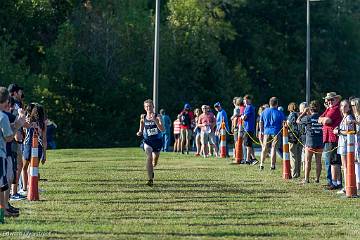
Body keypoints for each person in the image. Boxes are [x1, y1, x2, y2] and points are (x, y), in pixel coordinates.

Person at [0, 87, 26, 218]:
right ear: (6, 102)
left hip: (5, 153)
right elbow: (9, 137)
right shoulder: (4, 116)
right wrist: (18, 124)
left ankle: (5, 207)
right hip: (3, 153)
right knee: (3, 183)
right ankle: (4, 209)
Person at [136, 99, 164, 186]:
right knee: (149, 156)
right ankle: (150, 179)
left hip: (157, 141)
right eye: (147, 106)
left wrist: (155, 120)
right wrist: (140, 131)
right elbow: (141, 123)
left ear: (153, 106)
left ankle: (152, 169)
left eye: (150, 106)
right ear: (144, 108)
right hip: (147, 141)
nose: (149, 108)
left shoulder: (158, 116)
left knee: (154, 161)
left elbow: (163, 129)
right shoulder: (143, 117)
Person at [318, 92, 342, 190]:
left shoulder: (336, 109)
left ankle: (335, 182)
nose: (329, 101)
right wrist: (323, 119)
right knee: (330, 161)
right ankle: (332, 181)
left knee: (333, 161)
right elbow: (319, 119)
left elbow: (326, 121)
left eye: (332, 99)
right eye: (328, 100)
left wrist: (323, 120)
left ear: (336, 100)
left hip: (333, 139)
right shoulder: (329, 109)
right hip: (328, 138)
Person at [21, 104, 47, 194]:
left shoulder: (28, 121)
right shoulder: (43, 124)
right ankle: (33, 187)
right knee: (34, 168)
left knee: (24, 168)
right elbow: (44, 140)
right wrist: (45, 154)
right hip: (38, 147)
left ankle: (24, 188)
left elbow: (24, 132)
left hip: (28, 145)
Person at [297, 101, 323, 184]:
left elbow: (298, 121)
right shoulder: (321, 117)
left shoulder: (308, 118)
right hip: (319, 141)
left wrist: (304, 112)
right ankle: (317, 179)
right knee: (318, 161)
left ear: (310, 109)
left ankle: (306, 179)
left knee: (308, 161)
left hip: (310, 142)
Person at [8, 84, 25, 201]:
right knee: (17, 165)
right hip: (13, 139)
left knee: (17, 165)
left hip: (11, 138)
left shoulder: (11, 102)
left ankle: (13, 192)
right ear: (14, 92)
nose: (21, 94)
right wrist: (17, 134)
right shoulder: (14, 104)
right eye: (19, 92)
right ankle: (13, 193)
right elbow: (14, 120)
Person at [333, 99, 355, 194]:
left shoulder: (349, 118)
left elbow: (350, 132)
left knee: (346, 167)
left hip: (346, 145)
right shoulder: (344, 117)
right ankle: (347, 186)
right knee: (344, 167)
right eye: (342, 106)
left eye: (345, 106)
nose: (343, 108)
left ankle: (347, 187)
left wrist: (338, 131)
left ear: (349, 108)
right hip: (342, 144)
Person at [259, 97, 285, 170]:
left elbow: (261, 122)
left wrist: (261, 131)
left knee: (264, 148)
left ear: (270, 103)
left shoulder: (264, 111)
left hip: (266, 132)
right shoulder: (280, 113)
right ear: (277, 104)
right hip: (276, 132)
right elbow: (283, 123)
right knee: (273, 148)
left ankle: (261, 164)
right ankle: (272, 165)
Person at [241, 95, 258, 164]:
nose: (245, 101)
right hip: (249, 128)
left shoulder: (248, 107)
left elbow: (244, 117)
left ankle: (248, 159)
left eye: (247, 100)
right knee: (248, 143)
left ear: (250, 100)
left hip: (248, 128)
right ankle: (252, 158)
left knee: (247, 144)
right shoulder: (249, 107)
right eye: (245, 100)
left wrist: (241, 116)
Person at [287, 102, 302, 178]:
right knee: (299, 155)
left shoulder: (291, 115)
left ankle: (294, 173)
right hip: (300, 136)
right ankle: (298, 172)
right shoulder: (300, 114)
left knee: (293, 155)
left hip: (293, 136)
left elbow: (288, 124)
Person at [351, 98, 360, 190]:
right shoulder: (355, 116)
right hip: (356, 143)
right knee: (356, 163)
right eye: (352, 105)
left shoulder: (357, 117)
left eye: (354, 105)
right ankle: (358, 183)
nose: (353, 107)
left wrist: (355, 122)